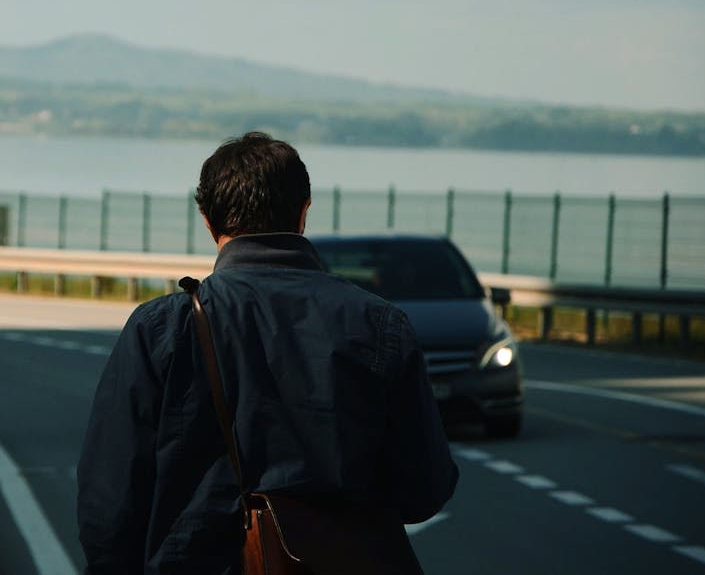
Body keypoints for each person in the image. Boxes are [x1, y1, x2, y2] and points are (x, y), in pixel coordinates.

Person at [77, 131, 458, 574]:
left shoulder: (162, 328)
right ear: (304, 212)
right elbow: (424, 489)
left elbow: (109, 502)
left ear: (207, 220)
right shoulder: (379, 325)